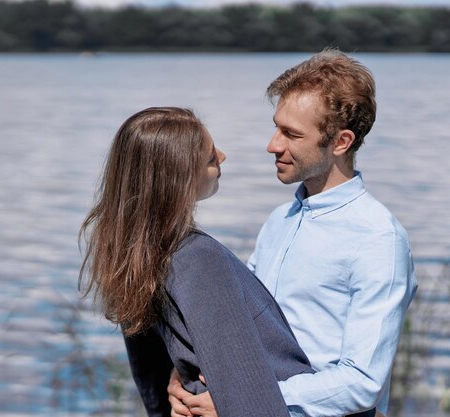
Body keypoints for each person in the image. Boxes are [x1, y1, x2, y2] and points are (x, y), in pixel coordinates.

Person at [168, 49, 418, 417]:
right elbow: (236, 325)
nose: (273, 144)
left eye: (291, 133)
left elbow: (362, 382)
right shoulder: (279, 219)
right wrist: (182, 374)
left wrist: (242, 401)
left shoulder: (379, 241)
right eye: (276, 126)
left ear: (341, 143)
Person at [78, 107, 324, 417]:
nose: (222, 156)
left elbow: (151, 375)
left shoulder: (137, 256)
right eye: (210, 158)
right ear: (177, 178)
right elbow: (246, 382)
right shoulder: (198, 258)